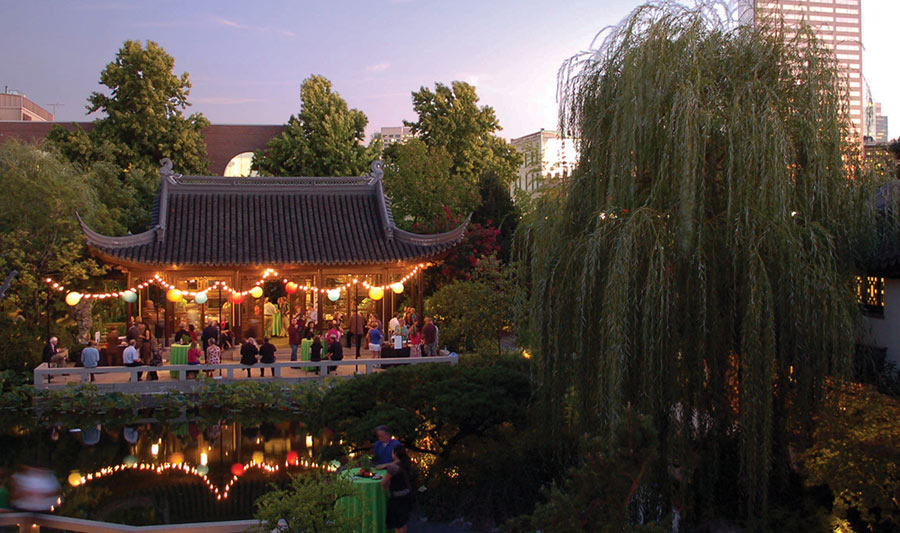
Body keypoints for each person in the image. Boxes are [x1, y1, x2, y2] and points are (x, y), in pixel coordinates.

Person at [382, 445, 413, 533]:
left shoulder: (393, 468)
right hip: (406, 495)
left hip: (396, 498)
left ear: (395, 454)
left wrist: (385, 489)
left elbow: (384, 482)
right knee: (403, 523)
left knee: (397, 525)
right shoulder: (407, 463)